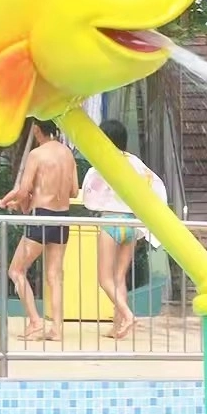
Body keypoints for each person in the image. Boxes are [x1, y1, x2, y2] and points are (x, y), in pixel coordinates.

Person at [0, 119, 78, 342]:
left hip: (42, 217)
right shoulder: (67, 154)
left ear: (37, 129)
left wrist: (9, 201)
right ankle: (56, 329)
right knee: (54, 276)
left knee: (16, 271)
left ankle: (35, 321)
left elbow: (24, 189)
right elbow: (74, 191)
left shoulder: (37, 155)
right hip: (62, 217)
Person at [81, 119, 167, 339]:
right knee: (120, 277)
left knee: (104, 279)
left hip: (110, 222)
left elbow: (89, 194)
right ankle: (118, 325)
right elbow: (155, 185)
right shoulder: (136, 163)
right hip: (131, 224)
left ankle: (127, 316)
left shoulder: (102, 162)